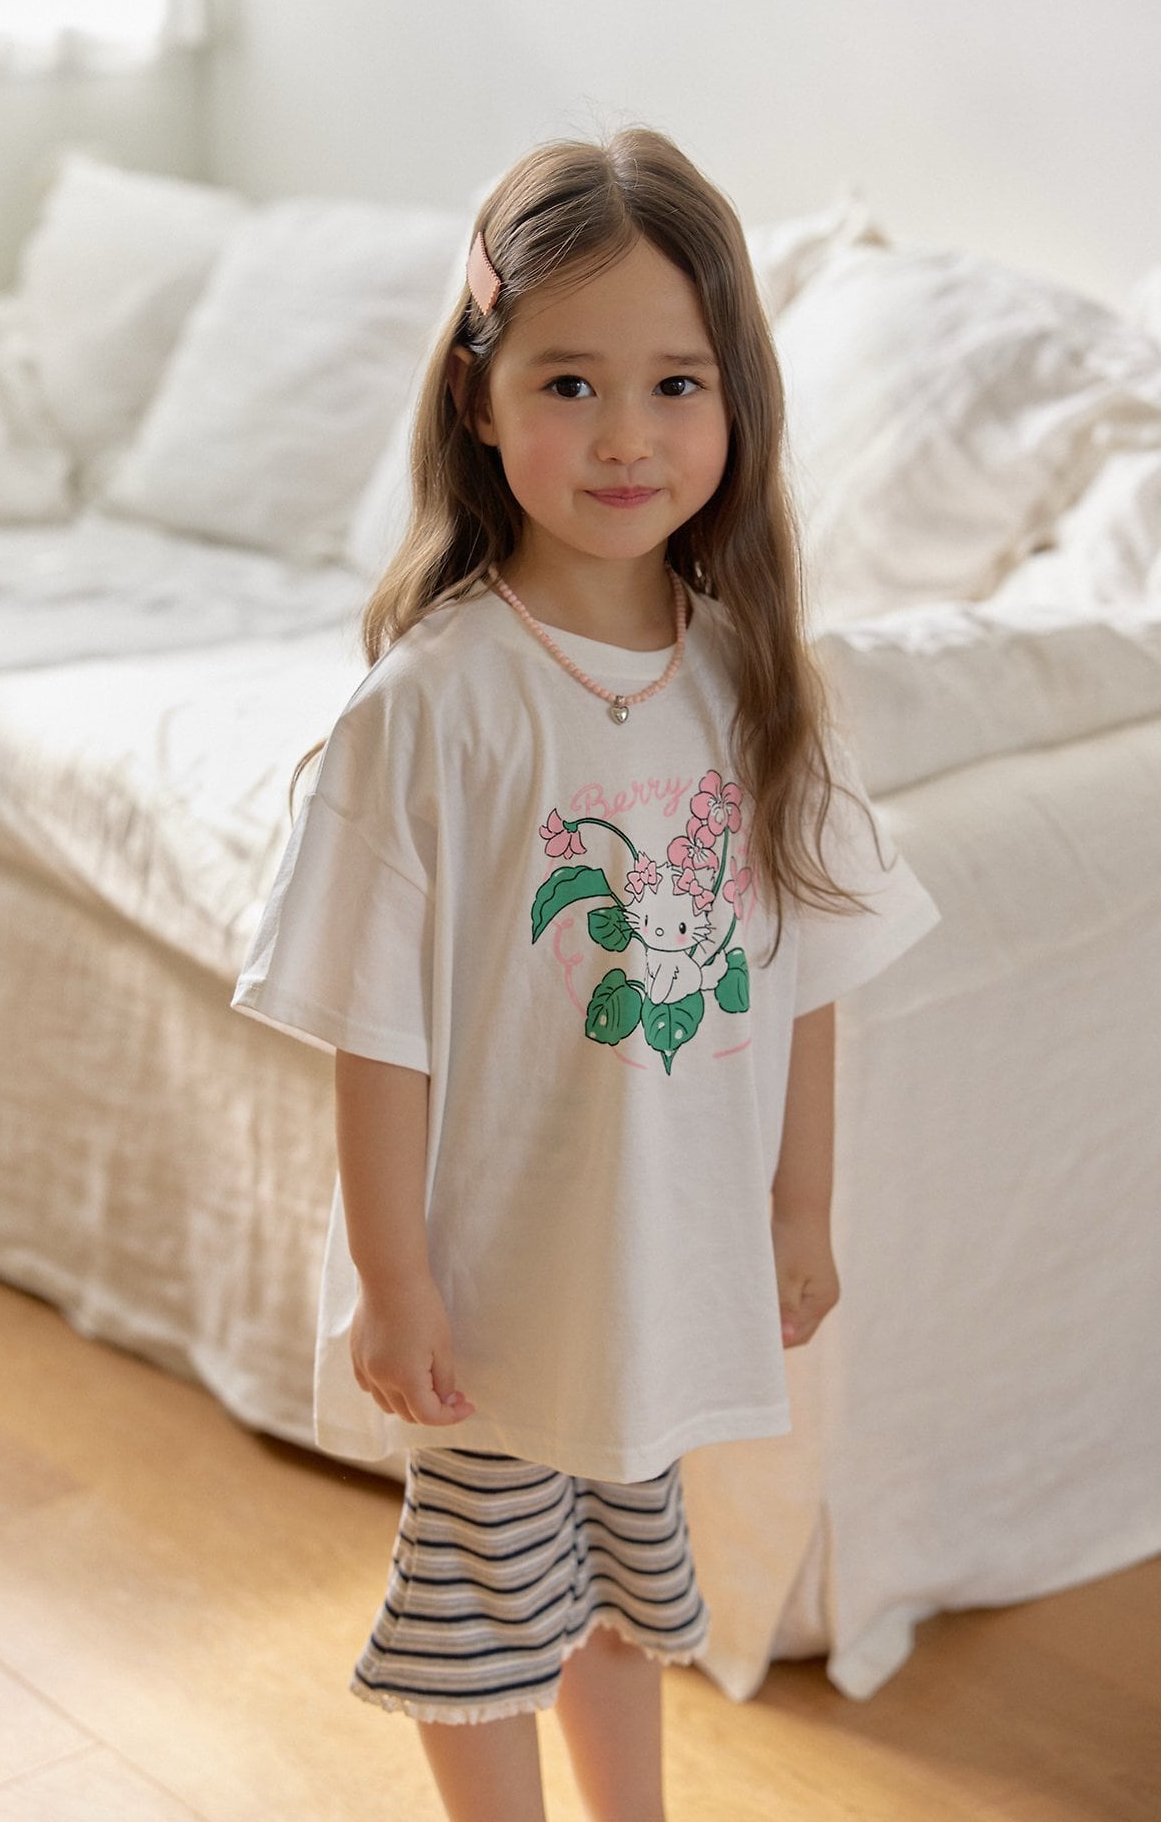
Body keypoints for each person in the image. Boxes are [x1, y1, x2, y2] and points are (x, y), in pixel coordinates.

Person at [230, 128, 942, 1822]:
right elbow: (376, 1032)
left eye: (675, 384)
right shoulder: (436, 705)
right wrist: (396, 1281)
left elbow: (805, 974)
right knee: (484, 1614)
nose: (627, 436)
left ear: (736, 399)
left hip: (660, 1264)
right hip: (494, 1280)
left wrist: (797, 1208)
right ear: (477, 398)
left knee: (631, 1586)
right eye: (569, 383)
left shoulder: (755, 682)